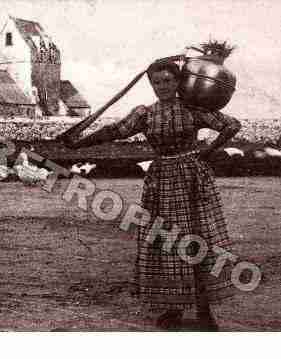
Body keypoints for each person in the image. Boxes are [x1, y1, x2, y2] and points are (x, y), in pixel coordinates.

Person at [62, 60, 241, 331]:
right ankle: (173, 311)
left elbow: (231, 125)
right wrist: (79, 142)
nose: (162, 87)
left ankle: (205, 312)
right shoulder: (145, 114)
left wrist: (208, 151)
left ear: (178, 82)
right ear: (152, 85)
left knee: (198, 240)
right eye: (157, 82)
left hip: (193, 180)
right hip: (160, 182)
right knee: (166, 241)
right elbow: (114, 131)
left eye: (168, 81)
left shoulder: (193, 109)